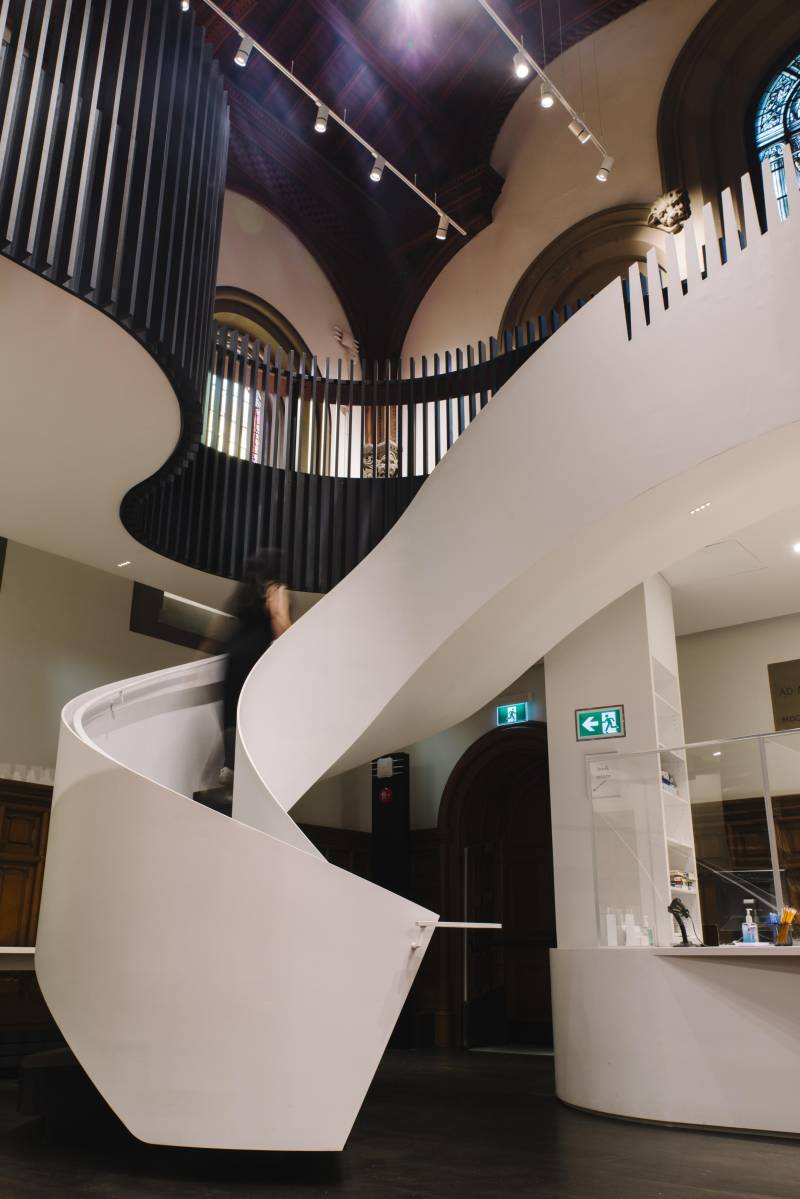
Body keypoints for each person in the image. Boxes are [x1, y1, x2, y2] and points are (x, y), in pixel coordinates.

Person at [218, 549, 291, 787]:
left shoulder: (243, 592)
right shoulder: (275, 588)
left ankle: (230, 765)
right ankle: (250, 775)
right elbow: (279, 618)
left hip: (234, 657)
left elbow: (220, 626)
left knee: (233, 716)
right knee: (254, 715)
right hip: (255, 659)